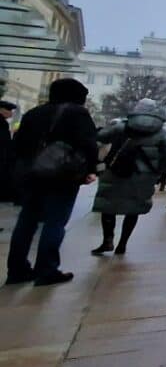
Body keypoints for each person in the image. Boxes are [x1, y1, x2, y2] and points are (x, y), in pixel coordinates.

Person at [6, 78, 98, 286]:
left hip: (32, 175)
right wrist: (90, 170)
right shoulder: (77, 113)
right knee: (55, 221)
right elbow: (89, 144)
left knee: (26, 221)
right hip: (62, 176)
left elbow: (18, 145)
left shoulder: (34, 113)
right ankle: (47, 269)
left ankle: (17, 269)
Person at [91, 98, 166, 255]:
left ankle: (107, 240)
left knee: (109, 206)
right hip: (144, 175)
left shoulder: (121, 126)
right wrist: (159, 171)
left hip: (116, 170)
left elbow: (100, 137)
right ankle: (123, 243)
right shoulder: (161, 133)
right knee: (134, 208)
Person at [0, 100, 16, 203]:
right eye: (9, 110)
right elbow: (4, 140)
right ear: (2, 110)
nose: (11, 113)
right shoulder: (2, 123)